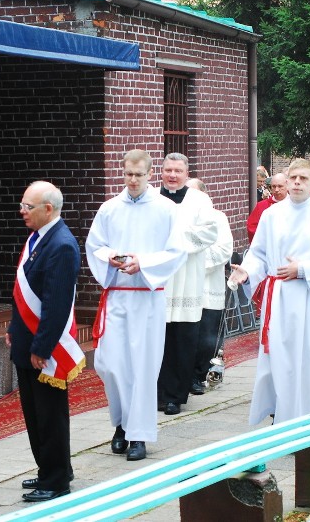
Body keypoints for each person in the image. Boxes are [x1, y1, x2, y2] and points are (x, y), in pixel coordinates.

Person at [229, 159, 310, 423]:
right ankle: (279, 414)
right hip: (278, 298)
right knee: (278, 359)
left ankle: (306, 416)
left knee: (305, 357)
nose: (296, 183)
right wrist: (247, 271)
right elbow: (258, 254)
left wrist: (302, 269)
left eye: (303, 178)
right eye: (293, 177)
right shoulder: (272, 214)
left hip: (307, 298)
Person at [85, 149, 185, 461]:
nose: (132, 180)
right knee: (109, 364)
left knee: (142, 366)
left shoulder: (166, 209)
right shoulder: (109, 208)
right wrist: (110, 257)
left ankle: (138, 434)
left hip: (147, 296)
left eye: (139, 175)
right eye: (128, 174)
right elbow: (94, 245)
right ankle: (121, 422)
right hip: (117, 293)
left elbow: (176, 250)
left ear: (149, 175)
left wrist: (143, 263)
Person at [7, 181, 84, 502]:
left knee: (49, 416)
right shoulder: (39, 238)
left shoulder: (61, 244)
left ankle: (55, 481)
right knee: (35, 415)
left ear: (48, 209)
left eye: (28, 207)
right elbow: (24, 290)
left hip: (44, 350)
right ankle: (49, 470)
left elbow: (56, 304)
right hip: (29, 342)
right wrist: (14, 327)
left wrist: (42, 348)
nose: (22, 212)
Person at [158, 153, 218, 415]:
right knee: (158, 341)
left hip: (186, 276)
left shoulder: (200, 200)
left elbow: (209, 232)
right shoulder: (151, 198)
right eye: (168, 170)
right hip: (158, 279)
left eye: (178, 171)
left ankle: (175, 396)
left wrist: (174, 241)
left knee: (182, 340)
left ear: (186, 173)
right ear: (160, 172)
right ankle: (156, 393)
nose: (172, 175)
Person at [186, 178, 233, 396]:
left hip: (207, 285)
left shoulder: (218, 218)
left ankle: (198, 375)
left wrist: (194, 264)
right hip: (183, 288)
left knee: (206, 336)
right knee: (185, 336)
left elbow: (223, 249)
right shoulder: (181, 216)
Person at [247, 173, 287, 243]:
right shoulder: (261, 206)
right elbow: (252, 228)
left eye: (280, 186)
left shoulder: (295, 204)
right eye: (274, 186)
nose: (276, 190)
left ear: (288, 186)